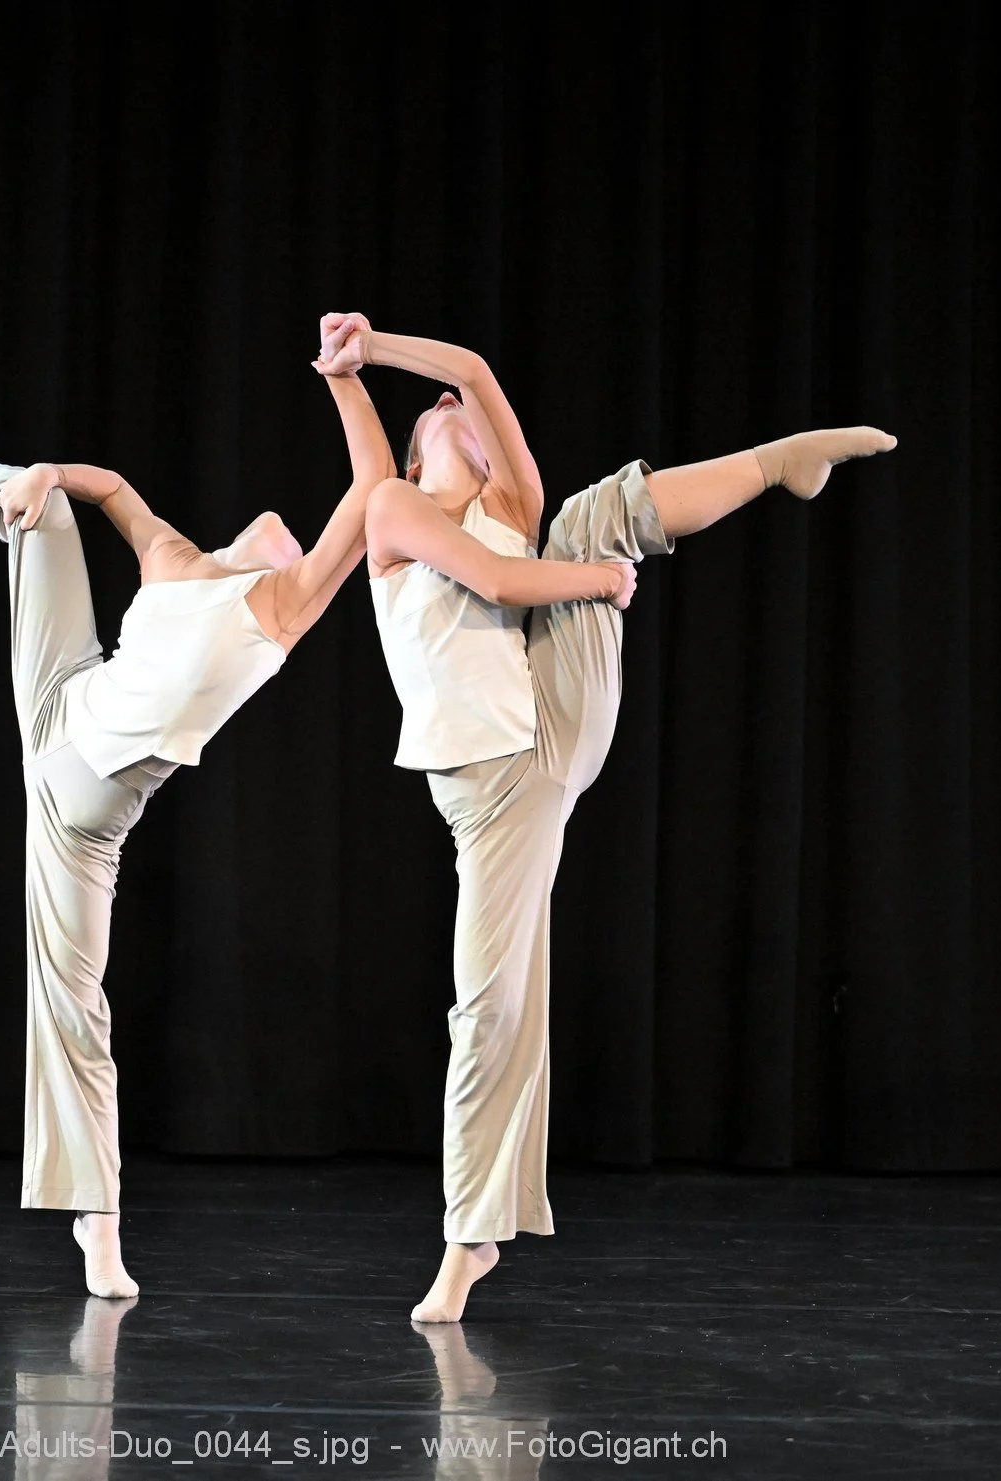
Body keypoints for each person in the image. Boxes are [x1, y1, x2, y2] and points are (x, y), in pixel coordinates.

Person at [313, 312, 895, 1322]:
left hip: (538, 738)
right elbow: (495, 577)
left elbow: (474, 372)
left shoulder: (512, 503)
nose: (454, 407)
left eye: (470, 417)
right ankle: (480, 1227)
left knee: (586, 513)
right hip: (487, 791)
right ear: (411, 449)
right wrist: (345, 371)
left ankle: (778, 461)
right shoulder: (396, 510)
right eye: (437, 410)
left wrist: (382, 347)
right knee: (494, 1004)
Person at [0, 359, 395, 1299]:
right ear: (237, 539)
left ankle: (98, 1227)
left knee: (75, 1009)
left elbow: (372, 490)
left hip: (84, 812)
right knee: (45, 508)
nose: (281, 530)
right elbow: (109, 488)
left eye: (289, 538)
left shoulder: (278, 608)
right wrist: (49, 475)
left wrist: (345, 378)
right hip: (60, 697)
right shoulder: (175, 558)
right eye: (271, 525)